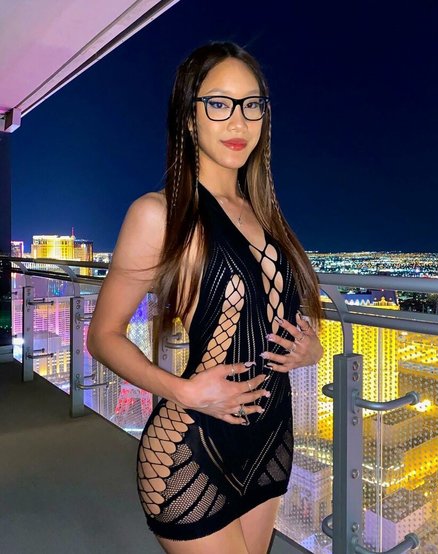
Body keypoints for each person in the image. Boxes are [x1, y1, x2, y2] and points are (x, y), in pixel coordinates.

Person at [87, 41, 323, 554]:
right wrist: (185, 391)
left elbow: (277, 316)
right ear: (189, 116)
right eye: (219, 103)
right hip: (190, 446)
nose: (238, 121)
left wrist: (311, 350)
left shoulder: (264, 213)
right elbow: (102, 336)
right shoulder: (159, 214)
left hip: (271, 441)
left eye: (252, 104)